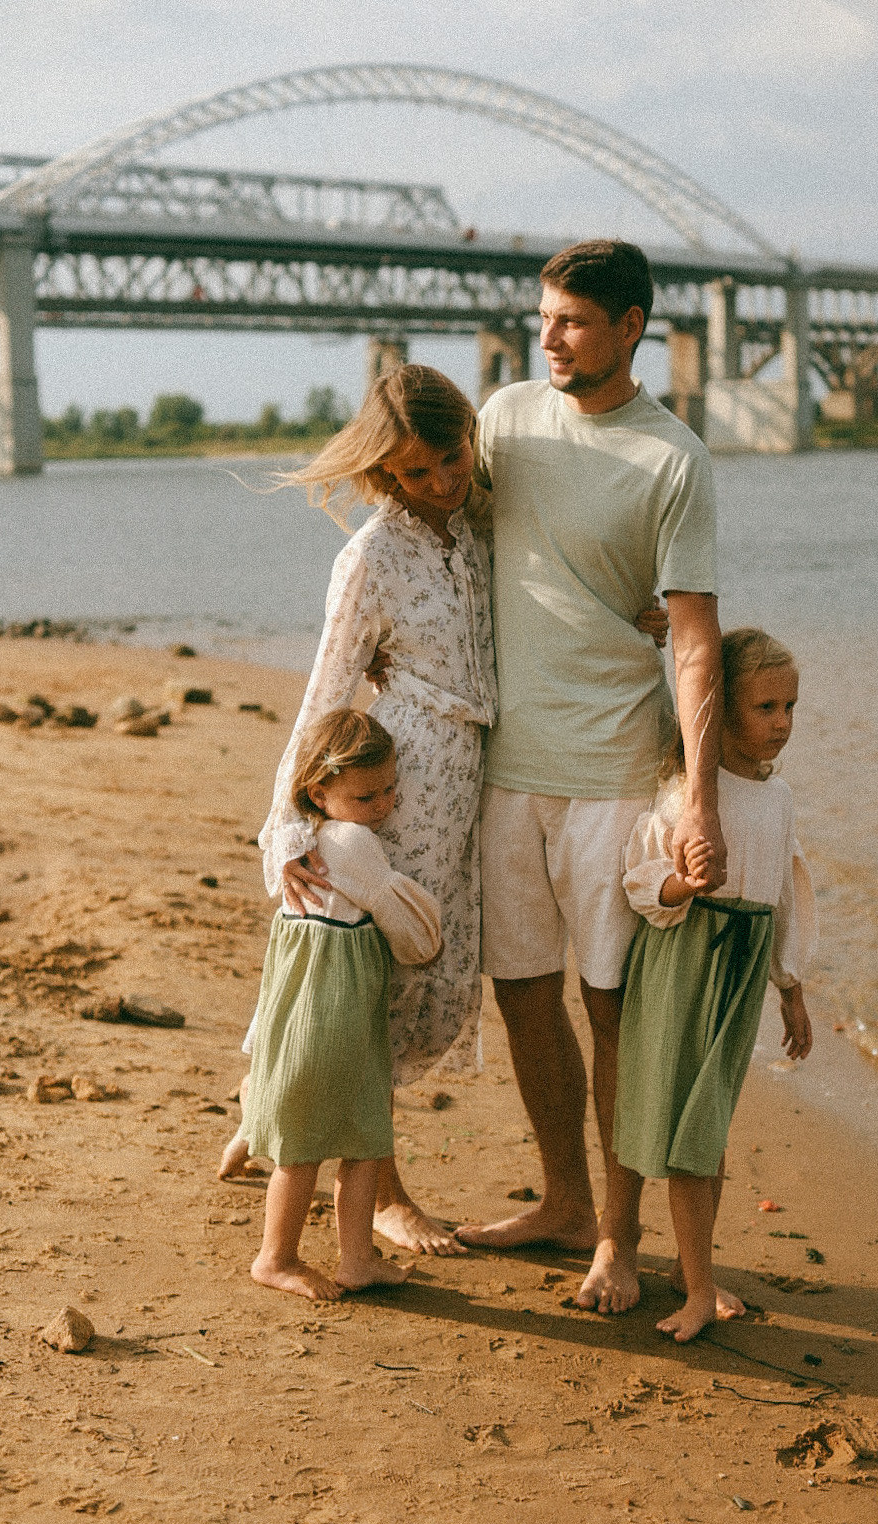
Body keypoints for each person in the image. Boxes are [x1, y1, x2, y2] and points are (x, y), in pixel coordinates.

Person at [455, 240, 727, 1289]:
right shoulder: (508, 417)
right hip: (505, 762)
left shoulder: (675, 459)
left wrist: (697, 797)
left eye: (572, 319)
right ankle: (563, 1200)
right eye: (544, 316)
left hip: (614, 766)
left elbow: (696, 636)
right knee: (523, 990)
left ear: (631, 327)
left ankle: (619, 1233)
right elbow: (441, 513)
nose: (550, 336)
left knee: (612, 1005)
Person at [220, 365, 493, 1257]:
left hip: (475, 780)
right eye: (414, 474)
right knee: (374, 983)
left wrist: (640, 616)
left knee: (433, 974)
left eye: (449, 459)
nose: (439, 483)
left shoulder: (490, 519)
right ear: (383, 476)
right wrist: (290, 826)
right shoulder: (371, 555)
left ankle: (272, 1115)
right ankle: (383, 1196)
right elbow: (326, 690)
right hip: (401, 780)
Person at [606, 627, 816, 1339]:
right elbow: (639, 884)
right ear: (719, 710)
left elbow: (786, 893)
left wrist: (790, 985)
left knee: (710, 1127)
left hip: (742, 969)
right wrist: (680, 883)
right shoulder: (686, 799)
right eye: (765, 707)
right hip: (684, 961)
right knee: (690, 1132)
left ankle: (686, 1269)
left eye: (790, 706)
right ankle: (697, 1287)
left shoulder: (778, 797)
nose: (781, 723)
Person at [241, 709, 442, 1301]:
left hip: (328, 1010)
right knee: (314, 1145)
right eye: (364, 796)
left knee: (361, 1139)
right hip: (327, 1015)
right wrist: (430, 939)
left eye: (388, 790)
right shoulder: (350, 842)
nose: (381, 805)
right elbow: (403, 922)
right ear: (318, 792)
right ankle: (275, 1257)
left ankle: (358, 1259)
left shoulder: (301, 843)